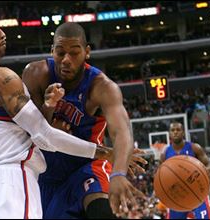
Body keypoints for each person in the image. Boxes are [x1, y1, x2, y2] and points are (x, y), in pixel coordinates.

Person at [0, 11, 122, 219]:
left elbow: (30, 128)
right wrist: (103, 152)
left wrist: (48, 106)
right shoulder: (0, 76)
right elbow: (44, 136)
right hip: (14, 179)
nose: (2, 34)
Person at [22, 22, 147, 219]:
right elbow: (29, 131)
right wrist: (48, 112)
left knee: (100, 209)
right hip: (46, 175)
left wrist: (118, 173)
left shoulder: (102, 87)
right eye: (60, 52)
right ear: (52, 50)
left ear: (86, 52)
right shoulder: (36, 74)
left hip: (86, 165)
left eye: (74, 52)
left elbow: (121, 132)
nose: (66, 60)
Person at [160, 122, 210, 219]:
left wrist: (201, 173)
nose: (175, 132)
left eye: (178, 130)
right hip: (177, 197)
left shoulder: (194, 148)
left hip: (197, 194)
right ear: (169, 133)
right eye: (173, 130)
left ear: (183, 132)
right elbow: (160, 177)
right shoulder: (165, 154)